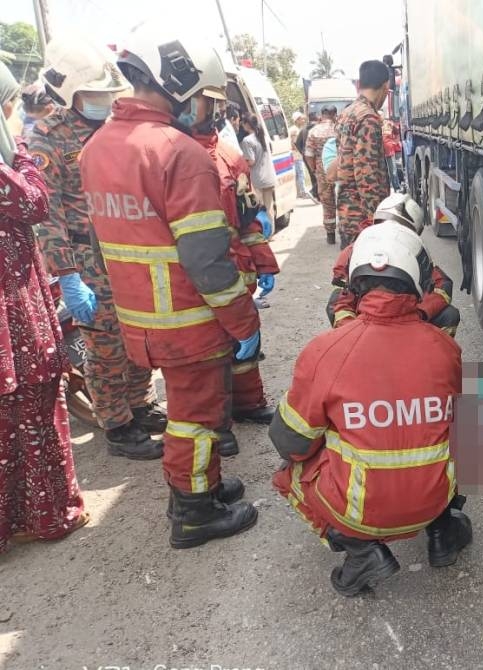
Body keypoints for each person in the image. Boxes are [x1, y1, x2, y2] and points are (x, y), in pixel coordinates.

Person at [79, 32, 260, 549]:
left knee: (189, 409)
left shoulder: (96, 147)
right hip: (187, 316)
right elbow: (207, 260)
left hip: (138, 315)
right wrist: (244, 321)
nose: (206, 111)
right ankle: (195, 510)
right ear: (180, 89)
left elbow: (99, 245)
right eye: (205, 97)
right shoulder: (179, 153)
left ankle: (207, 483)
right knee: (197, 416)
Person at [269, 222, 471, 596]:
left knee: (289, 474)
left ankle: (362, 551)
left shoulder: (326, 350)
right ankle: (443, 532)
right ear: (418, 278)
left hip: (358, 512)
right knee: (468, 426)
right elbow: (469, 429)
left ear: (355, 282)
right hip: (435, 499)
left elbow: (289, 442)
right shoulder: (446, 347)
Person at [31, 34, 165, 460]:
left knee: (139, 334)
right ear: (69, 92)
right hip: (86, 260)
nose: (101, 101)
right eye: (92, 94)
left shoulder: (115, 127)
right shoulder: (48, 139)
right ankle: (117, 423)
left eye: (105, 94)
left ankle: (140, 404)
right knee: (106, 343)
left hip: (127, 249)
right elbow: (47, 214)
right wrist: (68, 276)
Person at [0, 61, 88, 554]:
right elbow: (35, 203)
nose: (17, 118)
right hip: (12, 307)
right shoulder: (8, 166)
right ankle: (49, 514)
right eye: (10, 108)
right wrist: (25, 154)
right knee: (32, 404)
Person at [192, 94, 279, 431]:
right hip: (200, 269)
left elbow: (248, 220)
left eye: (216, 104)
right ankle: (217, 422)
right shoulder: (173, 154)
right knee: (210, 348)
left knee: (244, 336)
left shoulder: (229, 155)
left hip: (236, 269)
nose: (214, 111)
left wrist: (265, 264)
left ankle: (248, 403)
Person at [325, 193, 459, 337]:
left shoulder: (412, 249)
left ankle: (428, 350)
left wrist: (421, 312)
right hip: (366, 319)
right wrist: (354, 333)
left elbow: (441, 284)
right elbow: (342, 297)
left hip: (406, 317)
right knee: (335, 302)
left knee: (449, 315)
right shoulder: (357, 250)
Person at [335, 61, 391, 249]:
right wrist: (377, 220)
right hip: (362, 218)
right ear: (385, 86)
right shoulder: (368, 119)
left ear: (360, 84)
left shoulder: (346, 113)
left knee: (351, 270)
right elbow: (366, 176)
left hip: (347, 212)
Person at [305, 106, 338, 244]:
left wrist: (314, 169)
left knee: (327, 203)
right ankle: (347, 234)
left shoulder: (314, 131)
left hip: (322, 172)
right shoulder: (339, 129)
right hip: (340, 170)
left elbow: (308, 155)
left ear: (322, 114)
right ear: (335, 115)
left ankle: (330, 235)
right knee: (343, 200)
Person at [240, 114, 277, 220]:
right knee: (269, 208)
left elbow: (251, 161)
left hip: (258, 179)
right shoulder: (263, 136)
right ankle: (270, 233)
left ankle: (263, 234)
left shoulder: (247, 141)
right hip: (269, 177)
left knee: (260, 209)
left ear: (247, 124)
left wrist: (240, 163)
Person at [289, 111, 315, 202]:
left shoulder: (297, 129)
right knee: (300, 174)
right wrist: (300, 153)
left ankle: (299, 192)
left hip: (296, 155)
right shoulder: (294, 130)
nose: (303, 120)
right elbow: (294, 144)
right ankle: (302, 192)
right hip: (296, 155)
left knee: (298, 174)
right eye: (301, 119)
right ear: (297, 120)